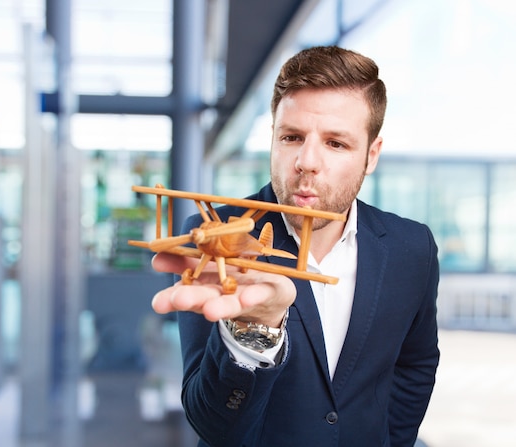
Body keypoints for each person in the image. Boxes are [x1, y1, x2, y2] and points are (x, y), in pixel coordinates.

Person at [151, 45, 440, 447]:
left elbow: (415, 365)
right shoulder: (210, 234)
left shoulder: (413, 248)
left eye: (336, 143)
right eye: (292, 137)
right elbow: (212, 423)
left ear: (371, 154)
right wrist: (254, 332)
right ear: (273, 138)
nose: (307, 161)